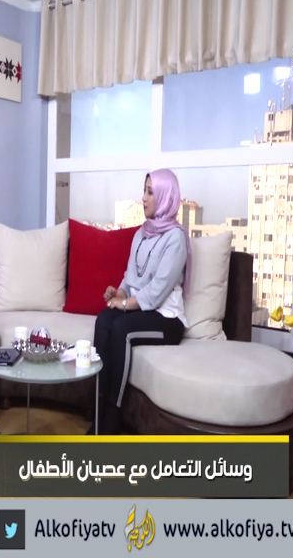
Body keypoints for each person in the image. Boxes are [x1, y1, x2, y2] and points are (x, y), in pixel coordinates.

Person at [91, 168, 192, 435]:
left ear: (165, 197)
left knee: (121, 329)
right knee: (104, 319)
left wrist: (124, 305)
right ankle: (98, 411)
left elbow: (157, 292)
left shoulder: (175, 238)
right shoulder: (142, 233)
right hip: (141, 310)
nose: (144, 198)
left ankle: (113, 419)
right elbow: (130, 276)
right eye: (144, 191)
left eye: (150, 192)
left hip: (166, 319)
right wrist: (120, 293)